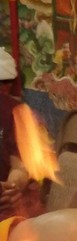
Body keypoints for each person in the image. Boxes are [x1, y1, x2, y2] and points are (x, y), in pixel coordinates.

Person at [0, 48, 41, 221]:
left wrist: (11, 188)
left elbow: (20, 167)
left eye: (6, 83)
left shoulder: (16, 112)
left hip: (9, 212)